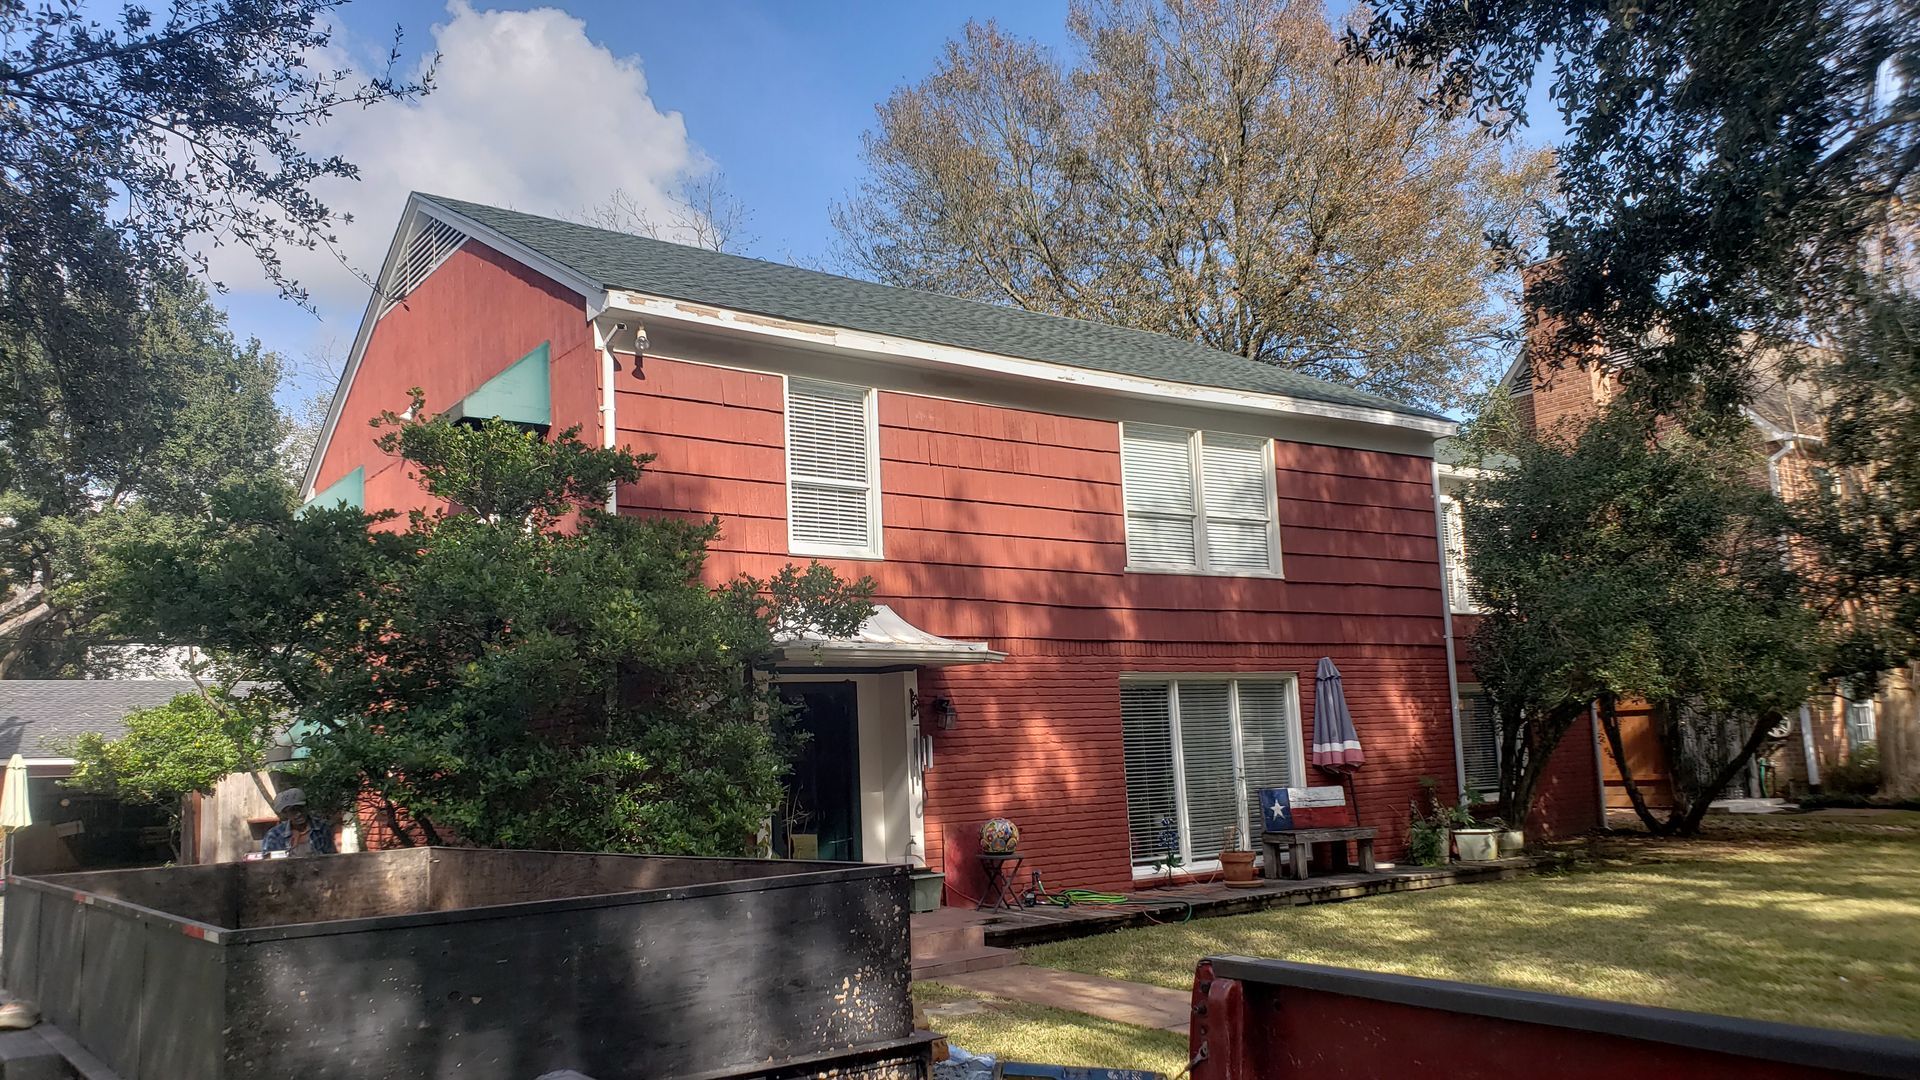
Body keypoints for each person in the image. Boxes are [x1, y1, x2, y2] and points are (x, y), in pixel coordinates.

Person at [261, 788, 335, 856]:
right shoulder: (274, 835)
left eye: (300, 808)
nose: (299, 814)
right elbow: (267, 863)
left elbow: (331, 858)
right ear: (285, 813)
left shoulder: (322, 828)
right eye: (293, 810)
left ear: (307, 807)